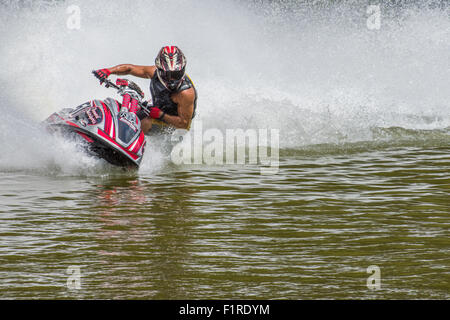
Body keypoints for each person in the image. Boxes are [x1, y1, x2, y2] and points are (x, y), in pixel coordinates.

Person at [93, 46, 197, 134]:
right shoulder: (153, 72)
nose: (172, 79)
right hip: (157, 111)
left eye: (176, 74)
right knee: (125, 112)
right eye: (168, 74)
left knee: (144, 122)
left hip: (174, 126)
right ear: (160, 70)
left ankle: (127, 143)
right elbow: (130, 68)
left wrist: (161, 115)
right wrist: (108, 71)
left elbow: (184, 124)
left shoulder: (186, 93)